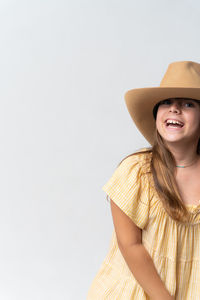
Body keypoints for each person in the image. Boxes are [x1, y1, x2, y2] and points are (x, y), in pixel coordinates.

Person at [87, 61, 200, 300]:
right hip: (142, 292)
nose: (174, 109)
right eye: (166, 103)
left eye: (188, 104)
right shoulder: (137, 172)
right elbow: (130, 245)